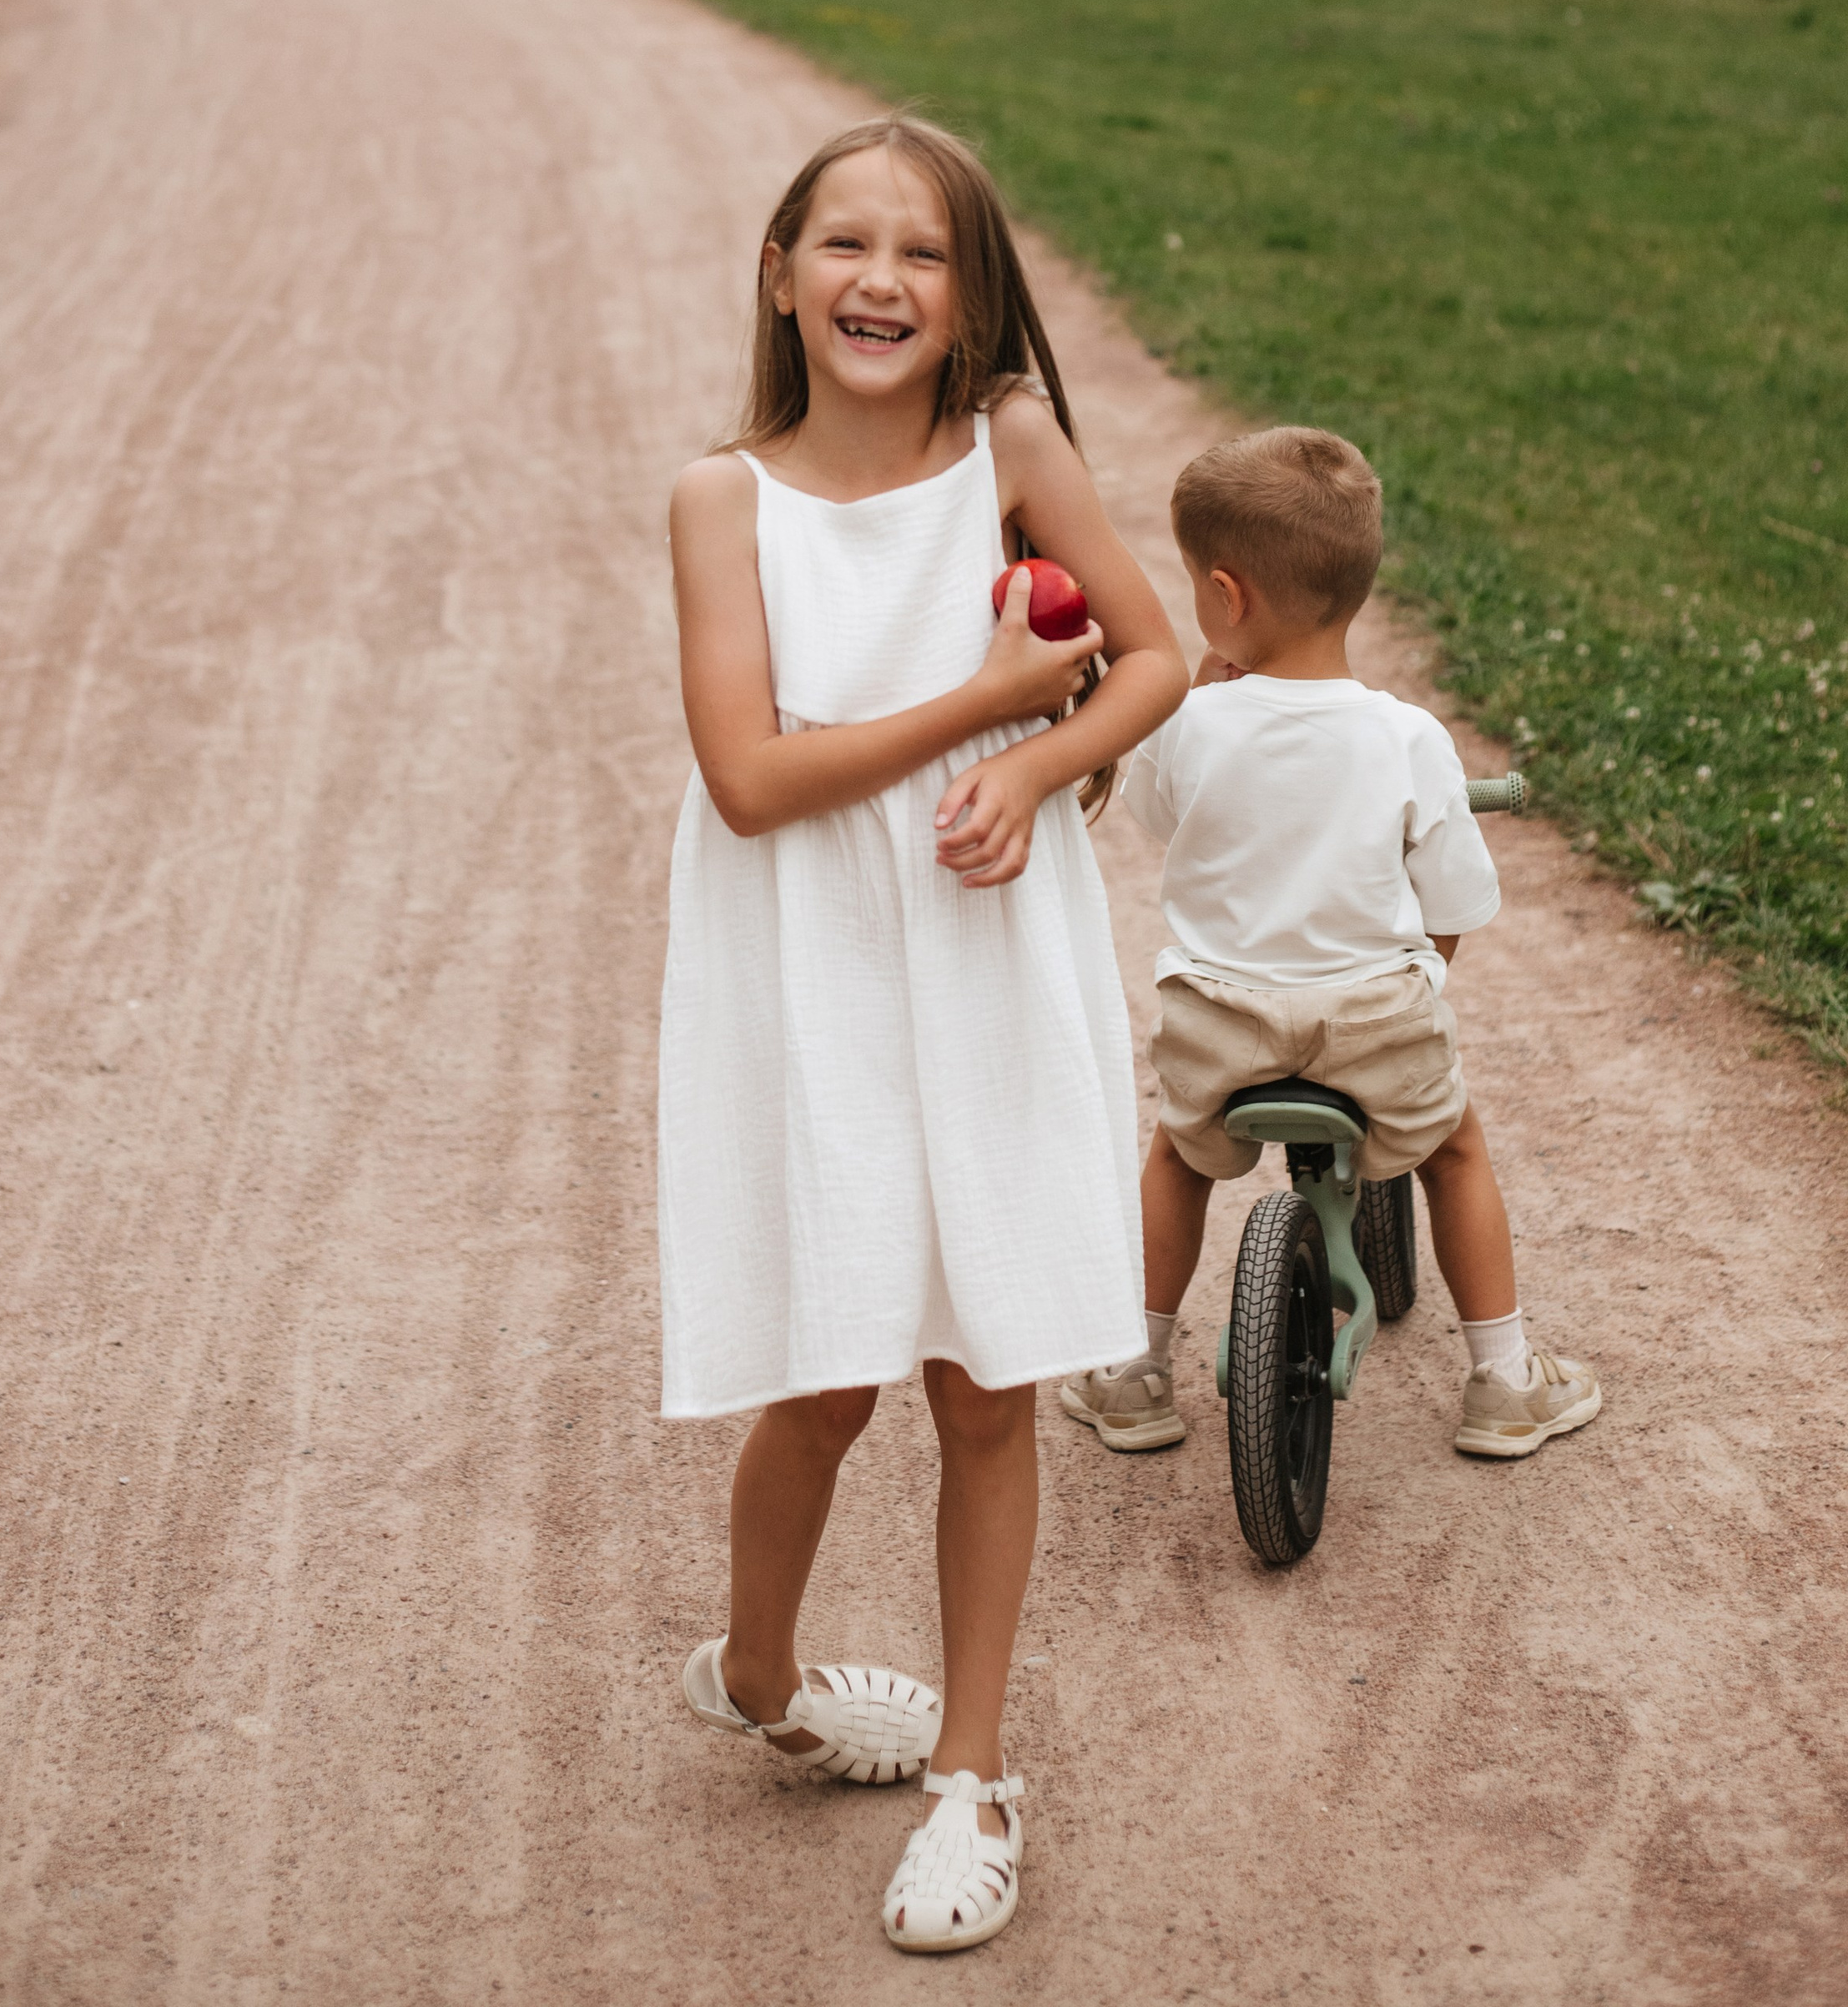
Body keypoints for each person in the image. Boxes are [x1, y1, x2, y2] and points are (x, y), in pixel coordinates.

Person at [662, 114, 1186, 1954]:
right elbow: (748, 779)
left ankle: (973, 1769)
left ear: (969, 296)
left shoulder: (1010, 448)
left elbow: (1153, 657)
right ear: (778, 276)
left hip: (979, 950)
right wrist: (980, 705)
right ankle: (757, 1673)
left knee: (985, 1377)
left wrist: (1036, 766)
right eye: (843, 244)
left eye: (922, 252)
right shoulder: (723, 501)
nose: (879, 281)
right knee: (823, 1378)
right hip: (809, 963)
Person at [1061, 425, 1601, 1464]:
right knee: (1454, 1149)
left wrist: (1204, 704)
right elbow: (1453, 902)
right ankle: (1502, 1380)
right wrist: (1420, 975)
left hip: (1222, 1023)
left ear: (1225, 596)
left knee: (1176, 1155)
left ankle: (1134, 1370)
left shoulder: (1189, 721)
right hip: (1371, 1023)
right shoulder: (1408, 739)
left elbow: (1160, 820)